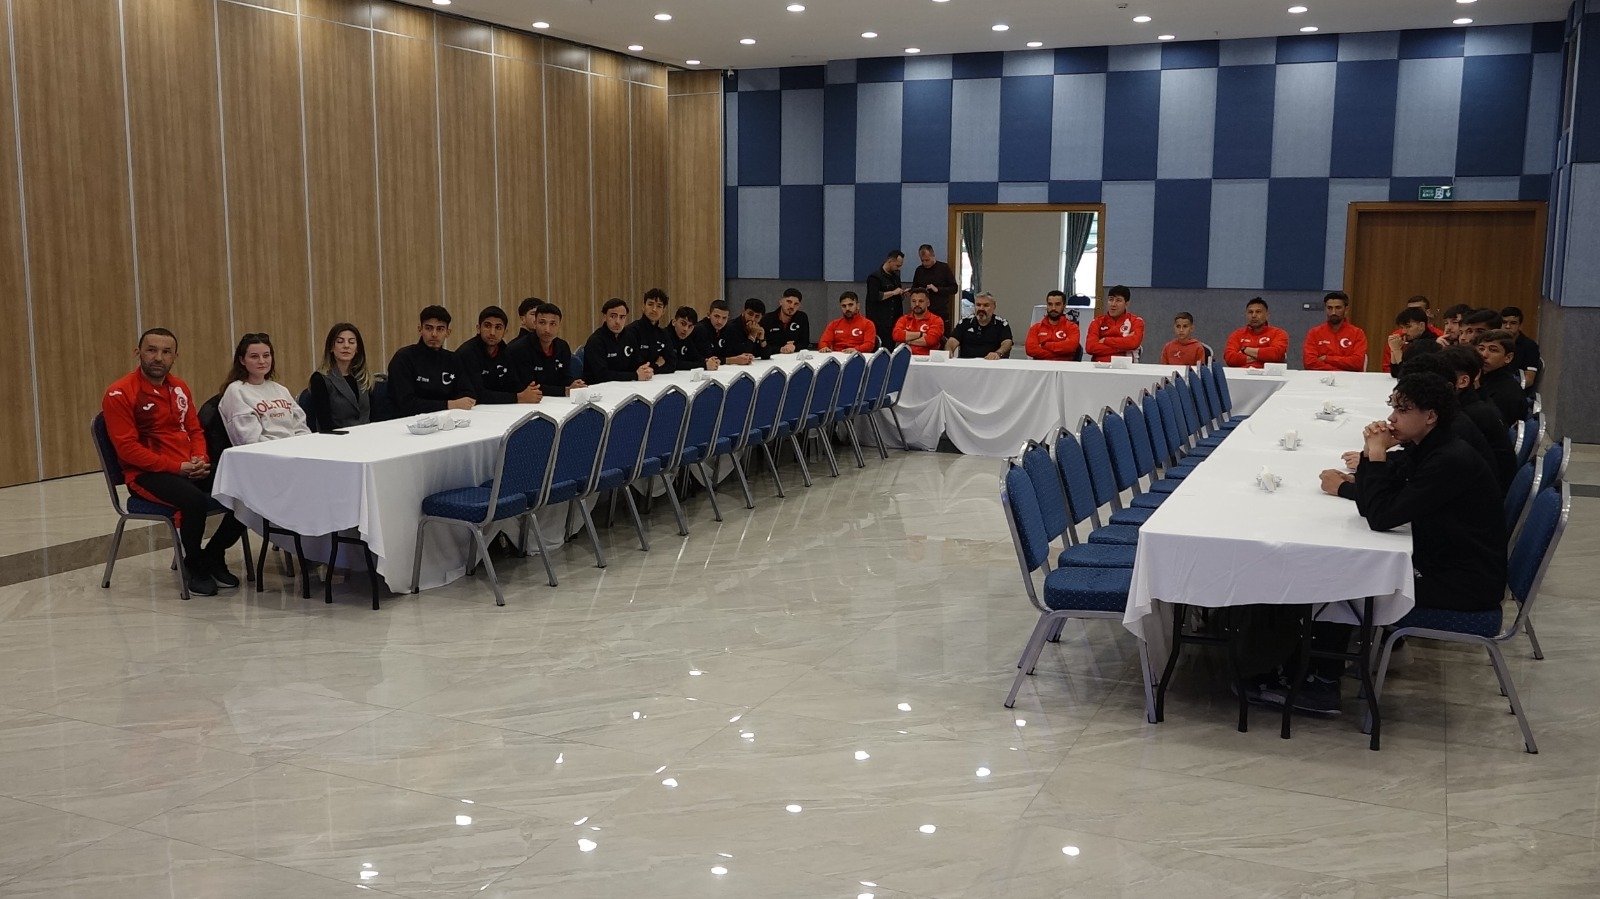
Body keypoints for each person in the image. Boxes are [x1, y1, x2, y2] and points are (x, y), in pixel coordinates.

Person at [1303, 373, 1507, 713]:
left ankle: (1322, 685)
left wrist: (1376, 455)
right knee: (1350, 568)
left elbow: (1382, 517)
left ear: (1430, 416)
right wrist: (1370, 457)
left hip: (1465, 583)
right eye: (1393, 407)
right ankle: (1363, 653)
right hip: (1449, 562)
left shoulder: (1449, 459)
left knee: (1341, 579)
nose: (1392, 418)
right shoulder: (1429, 446)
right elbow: (1380, 503)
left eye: (1403, 410)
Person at [103, 328, 247, 596]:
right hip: (146, 474)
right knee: (193, 501)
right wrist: (177, 468)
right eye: (151, 350)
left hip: (187, 467)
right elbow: (127, 450)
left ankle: (214, 554)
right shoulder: (119, 393)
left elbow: (194, 430)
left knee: (247, 487)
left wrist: (200, 459)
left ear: (175, 356)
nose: (158, 357)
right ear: (138, 353)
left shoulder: (180, 387)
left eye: (166, 352)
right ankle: (194, 564)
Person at [219, 332, 312, 445]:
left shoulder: (281, 390)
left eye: (266, 355)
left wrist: (302, 446)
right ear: (242, 360)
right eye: (254, 356)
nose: (262, 361)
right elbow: (250, 440)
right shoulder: (236, 391)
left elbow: (301, 428)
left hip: (294, 449)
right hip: (264, 452)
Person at [388, 306, 476, 415]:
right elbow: (405, 404)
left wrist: (454, 405)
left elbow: (468, 394)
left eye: (440, 329)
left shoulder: (453, 359)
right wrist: (449, 404)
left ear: (448, 332)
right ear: (420, 329)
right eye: (429, 328)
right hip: (410, 421)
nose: (434, 334)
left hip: (449, 418)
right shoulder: (404, 358)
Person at [455, 306, 542, 405]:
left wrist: (528, 392)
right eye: (487, 326)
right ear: (478, 328)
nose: (492, 332)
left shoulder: (506, 351)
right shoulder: (467, 353)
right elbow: (477, 394)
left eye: (498, 327)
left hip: (498, 407)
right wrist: (518, 398)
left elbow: (514, 384)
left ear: (505, 332)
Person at [307, 322, 372, 432]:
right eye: (340, 342)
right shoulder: (320, 379)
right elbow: (325, 424)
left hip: (367, 435)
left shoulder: (363, 377)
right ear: (331, 347)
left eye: (351, 342)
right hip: (338, 438)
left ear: (357, 349)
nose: (346, 346)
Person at [518, 302, 585, 396]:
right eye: (542, 323)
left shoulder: (562, 346)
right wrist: (564, 391)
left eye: (553, 324)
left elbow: (566, 378)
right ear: (535, 323)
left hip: (557, 400)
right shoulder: (521, 348)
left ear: (559, 326)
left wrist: (575, 385)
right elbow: (529, 386)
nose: (547, 329)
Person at [584, 297, 655, 383]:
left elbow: (636, 364)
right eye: (613, 316)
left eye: (622, 317)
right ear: (604, 317)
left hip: (626, 385)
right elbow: (602, 375)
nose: (617, 321)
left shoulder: (630, 337)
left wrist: (645, 370)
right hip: (598, 388)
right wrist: (635, 376)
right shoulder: (595, 341)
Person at [1303, 291, 1367, 371]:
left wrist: (1327, 358)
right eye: (1329, 308)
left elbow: (1357, 363)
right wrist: (1339, 371)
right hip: (1320, 377)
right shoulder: (1314, 333)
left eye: (1338, 308)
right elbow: (1309, 363)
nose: (1333, 312)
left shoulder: (1357, 333)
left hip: (1350, 378)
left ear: (1346, 310)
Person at [1476, 329, 1527, 427]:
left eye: (1493, 350)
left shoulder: (1506, 393)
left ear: (1508, 357)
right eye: (1481, 349)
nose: (1484, 355)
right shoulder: (1482, 378)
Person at [621, 287, 675, 375]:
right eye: (650, 304)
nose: (654, 309)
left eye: (659, 306)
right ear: (643, 306)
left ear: (663, 311)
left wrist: (651, 369)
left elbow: (672, 365)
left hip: (658, 380)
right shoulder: (631, 331)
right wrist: (657, 364)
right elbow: (633, 366)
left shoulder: (663, 334)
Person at [1222, 297, 1288, 369]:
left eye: (1258, 312)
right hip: (1242, 373)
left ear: (1267, 315)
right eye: (1250, 312)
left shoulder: (1278, 333)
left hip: (1269, 374)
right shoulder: (1237, 334)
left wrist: (1245, 350)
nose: (1253, 315)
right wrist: (1263, 357)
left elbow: (1277, 354)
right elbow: (1229, 358)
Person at [946, 290, 1014, 359]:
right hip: (968, 363)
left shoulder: (1002, 324)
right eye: (978, 305)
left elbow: (1007, 343)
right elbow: (952, 341)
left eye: (986, 305)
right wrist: (949, 351)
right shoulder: (964, 322)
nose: (981, 308)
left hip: (992, 362)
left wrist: (998, 353)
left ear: (994, 307)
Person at [1382, 296, 1443, 371]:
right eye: (1402, 327)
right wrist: (1393, 350)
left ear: (1421, 325)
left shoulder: (1431, 343)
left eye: (1408, 327)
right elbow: (1394, 372)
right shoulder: (1411, 340)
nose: (1404, 331)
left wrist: (1397, 350)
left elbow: (1407, 372)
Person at [1085, 285, 1144, 362]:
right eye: (1111, 299)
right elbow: (1090, 348)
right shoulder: (1097, 322)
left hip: (1127, 366)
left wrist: (1105, 340)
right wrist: (1125, 346)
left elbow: (1133, 343)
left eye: (1118, 300)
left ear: (1126, 303)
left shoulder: (1136, 321)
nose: (1113, 304)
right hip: (1100, 366)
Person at [691, 299, 756, 366]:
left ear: (728, 318)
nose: (720, 321)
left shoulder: (728, 328)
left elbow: (734, 351)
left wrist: (744, 357)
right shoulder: (700, 329)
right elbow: (708, 358)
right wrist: (733, 360)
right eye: (716, 316)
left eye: (724, 318)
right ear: (709, 315)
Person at [910, 244, 959, 329]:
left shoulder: (944, 268)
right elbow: (914, 287)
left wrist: (937, 289)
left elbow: (954, 288)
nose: (925, 263)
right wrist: (914, 291)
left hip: (940, 311)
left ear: (933, 255)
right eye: (922, 260)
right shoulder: (919, 270)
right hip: (923, 312)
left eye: (927, 260)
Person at [864, 250, 906, 347]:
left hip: (893, 320)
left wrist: (902, 293)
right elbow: (874, 296)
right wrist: (893, 292)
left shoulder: (896, 277)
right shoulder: (874, 277)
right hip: (879, 321)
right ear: (890, 261)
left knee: (891, 346)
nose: (898, 268)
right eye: (897, 265)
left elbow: (896, 296)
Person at [1023, 291, 1079, 362]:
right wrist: (1061, 355)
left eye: (1057, 304)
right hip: (1040, 366)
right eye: (1050, 304)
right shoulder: (1036, 328)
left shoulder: (1072, 327)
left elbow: (1071, 347)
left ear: (1064, 306)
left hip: (1064, 366)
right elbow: (1030, 349)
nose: (1053, 308)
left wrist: (1045, 345)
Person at [1499, 305, 1542, 393]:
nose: (1507, 326)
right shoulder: (1495, 343)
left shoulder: (1529, 346)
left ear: (1520, 326)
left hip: (1516, 391)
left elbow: (1529, 379)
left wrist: (1508, 390)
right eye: (1504, 322)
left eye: (1513, 323)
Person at [892, 287, 946, 357]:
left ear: (928, 303)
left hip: (928, 359)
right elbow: (896, 335)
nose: (917, 304)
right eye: (913, 301)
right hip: (906, 358)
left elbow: (930, 340)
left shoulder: (936, 320)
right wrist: (920, 334)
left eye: (921, 301)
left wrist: (907, 341)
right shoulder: (904, 319)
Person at [760, 288, 811, 354]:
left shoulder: (802, 317)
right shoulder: (767, 319)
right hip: (772, 357)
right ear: (781, 301)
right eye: (789, 302)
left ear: (799, 306)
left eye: (796, 304)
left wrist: (794, 347)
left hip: (793, 356)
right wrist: (780, 349)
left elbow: (805, 343)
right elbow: (762, 346)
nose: (792, 306)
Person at [666, 305, 709, 369]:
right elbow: (673, 363)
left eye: (690, 326)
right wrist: (704, 365)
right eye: (683, 324)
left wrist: (707, 361)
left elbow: (696, 357)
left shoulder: (687, 337)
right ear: (674, 322)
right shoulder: (665, 336)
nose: (686, 329)